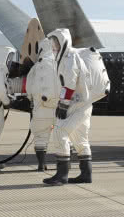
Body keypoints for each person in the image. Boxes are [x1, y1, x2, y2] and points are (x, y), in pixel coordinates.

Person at [43, 29, 93, 186]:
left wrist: (63, 105)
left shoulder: (69, 58)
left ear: (63, 41)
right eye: (52, 42)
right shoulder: (68, 57)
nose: (54, 45)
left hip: (77, 105)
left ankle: (62, 174)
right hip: (83, 104)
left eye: (56, 42)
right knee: (80, 139)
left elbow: (69, 84)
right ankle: (86, 174)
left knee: (59, 132)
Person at [25, 38, 60, 172]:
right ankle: (63, 166)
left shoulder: (36, 67)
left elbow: (28, 87)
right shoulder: (60, 64)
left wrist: (31, 99)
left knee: (40, 137)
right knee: (63, 136)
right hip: (59, 108)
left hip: (40, 108)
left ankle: (41, 164)